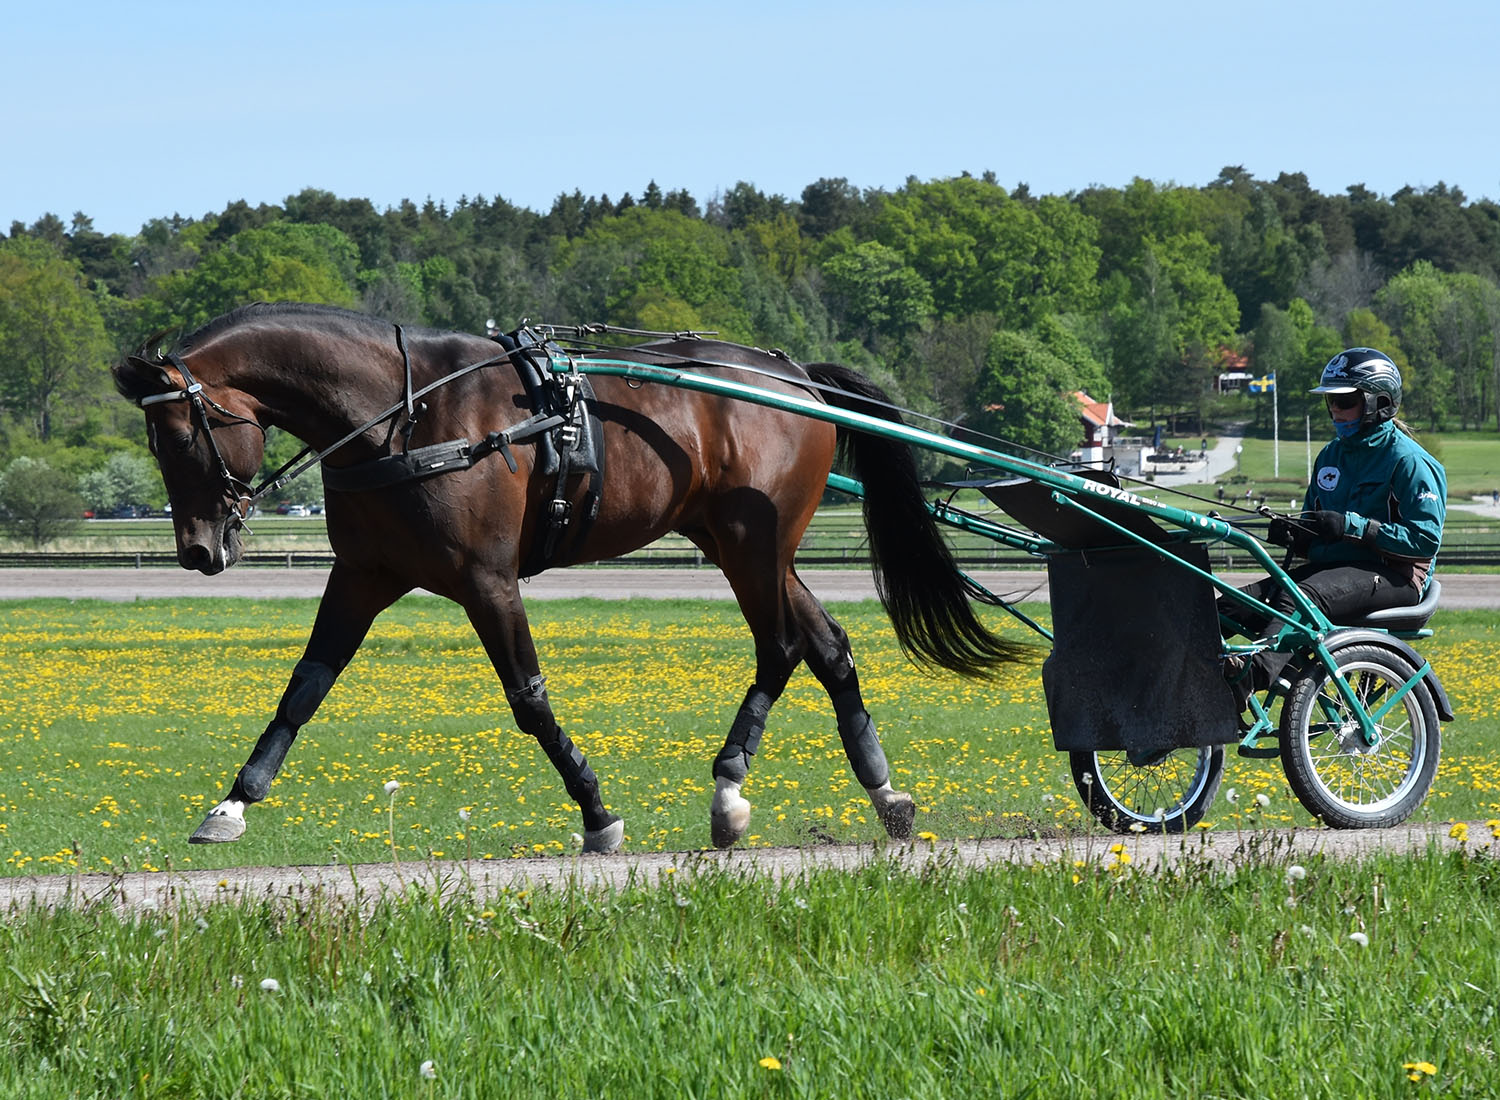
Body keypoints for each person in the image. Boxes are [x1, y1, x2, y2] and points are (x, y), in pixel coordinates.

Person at [1221, 348, 1446, 699]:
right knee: (1230, 604)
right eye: (1331, 403)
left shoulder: (1410, 461)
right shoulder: (1330, 455)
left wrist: (1354, 527)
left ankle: (1253, 674)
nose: (1335, 412)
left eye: (1345, 402)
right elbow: (1317, 524)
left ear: (1379, 403)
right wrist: (1296, 534)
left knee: (1302, 597)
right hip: (1333, 572)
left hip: (1394, 575)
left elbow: (1424, 540)